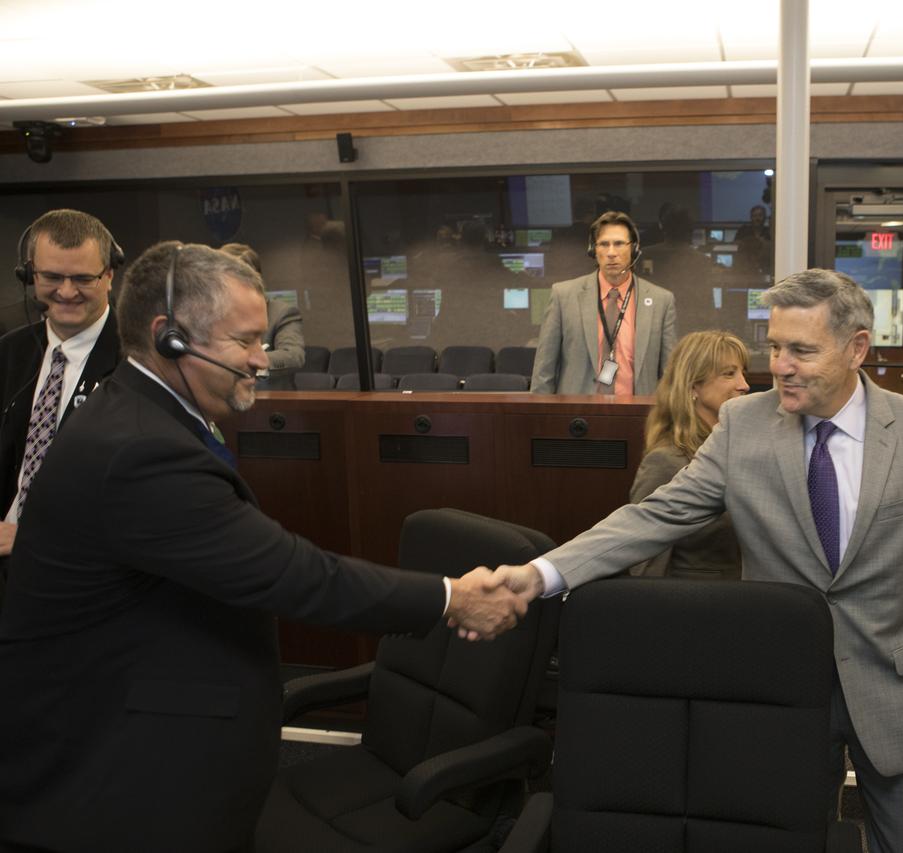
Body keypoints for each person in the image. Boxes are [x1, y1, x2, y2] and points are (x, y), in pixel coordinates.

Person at [0, 242, 526, 853]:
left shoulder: (144, 416)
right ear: (170, 337)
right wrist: (452, 598)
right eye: (245, 341)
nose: (261, 360)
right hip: (120, 783)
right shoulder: (140, 449)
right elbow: (292, 574)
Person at [491, 269, 903, 853]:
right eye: (774, 347)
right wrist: (540, 573)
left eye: (801, 350)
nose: (779, 366)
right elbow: (653, 516)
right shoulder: (742, 425)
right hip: (777, 687)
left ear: (857, 348)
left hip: (897, 683)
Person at [0, 210, 123, 566]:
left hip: (83, 563)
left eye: (83, 278)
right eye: (52, 277)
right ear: (29, 275)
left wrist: (36, 535)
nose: (66, 292)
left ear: (110, 275)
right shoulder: (9, 352)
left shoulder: (140, 362)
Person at [628, 330, 751, 579]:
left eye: (742, 372)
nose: (744, 385)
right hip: (697, 604)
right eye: (729, 374)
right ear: (694, 384)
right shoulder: (665, 461)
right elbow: (644, 561)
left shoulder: (740, 447)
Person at [530, 211, 676, 395]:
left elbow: (669, 374)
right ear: (593, 250)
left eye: (619, 244)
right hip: (578, 416)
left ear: (634, 249)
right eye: (604, 244)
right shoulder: (564, 295)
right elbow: (544, 370)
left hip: (639, 416)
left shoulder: (661, 301)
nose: (611, 253)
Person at [219, 242, 305, 372]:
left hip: (269, 390)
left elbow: (293, 356)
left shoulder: (281, 312)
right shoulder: (214, 314)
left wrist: (245, 359)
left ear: (255, 279)